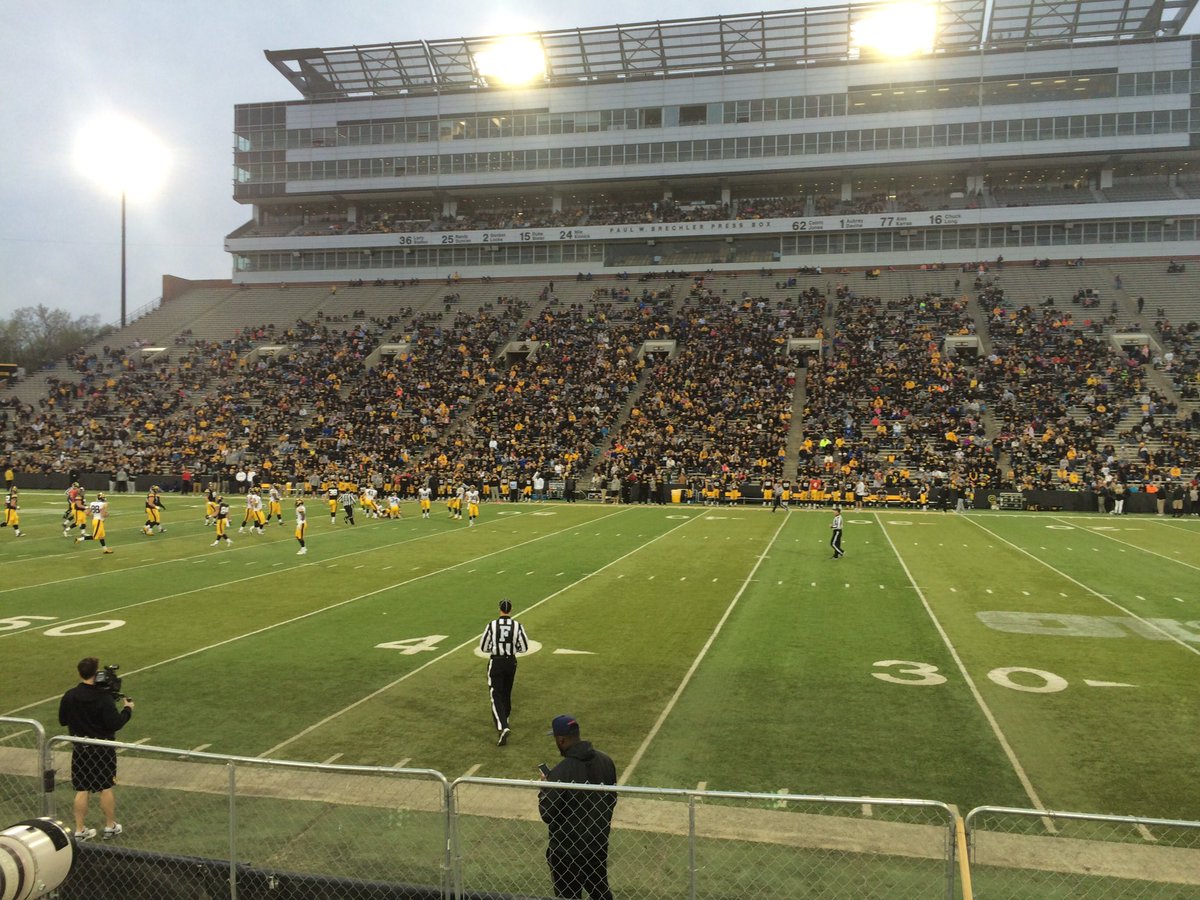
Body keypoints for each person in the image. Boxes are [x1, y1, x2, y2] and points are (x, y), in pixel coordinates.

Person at [538, 715, 617, 900]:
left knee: (568, 896)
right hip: (597, 845)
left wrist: (544, 789)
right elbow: (612, 800)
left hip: (566, 851)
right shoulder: (606, 761)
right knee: (600, 892)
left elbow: (547, 814)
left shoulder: (561, 772)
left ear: (561, 740)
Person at [58, 657, 134, 841]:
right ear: (96, 673)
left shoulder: (70, 695)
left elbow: (63, 720)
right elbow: (114, 723)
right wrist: (127, 710)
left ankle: (79, 829)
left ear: (80, 673)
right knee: (105, 787)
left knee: (82, 788)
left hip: (80, 749)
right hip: (102, 749)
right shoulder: (103, 697)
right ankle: (110, 825)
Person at [479, 598, 528, 746]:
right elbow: (524, 647)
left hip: (497, 661)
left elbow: (483, 646)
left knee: (495, 694)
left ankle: (502, 727)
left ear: (499, 609)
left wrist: (495, 649)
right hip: (511, 662)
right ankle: (505, 719)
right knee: (506, 693)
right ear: (511, 610)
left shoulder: (492, 625)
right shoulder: (517, 626)